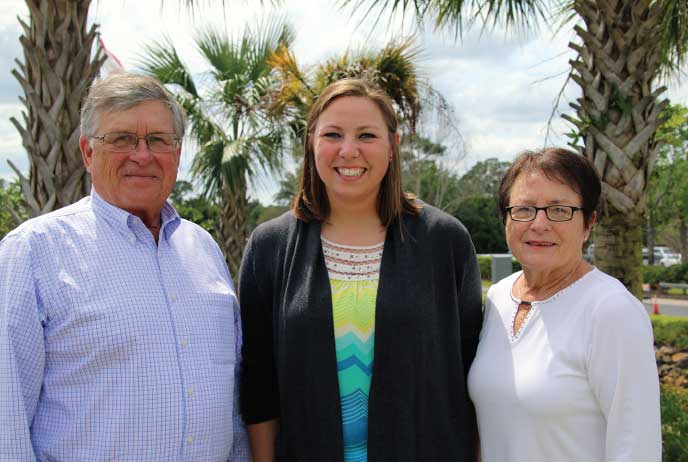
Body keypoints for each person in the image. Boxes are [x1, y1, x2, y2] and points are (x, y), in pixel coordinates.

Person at [0, 73, 249, 461]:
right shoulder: (34, 252)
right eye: (121, 140)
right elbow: (6, 417)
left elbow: (231, 404)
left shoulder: (203, 249)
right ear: (87, 152)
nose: (142, 155)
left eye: (158, 140)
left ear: (177, 153)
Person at [239, 78, 483, 462]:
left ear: (392, 146)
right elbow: (259, 381)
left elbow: (474, 373)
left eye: (367, 135)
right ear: (311, 144)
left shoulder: (444, 241)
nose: (348, 151)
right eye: (333, 134)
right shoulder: (270, 247)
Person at [467, 147, 661, 461]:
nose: (539, 224)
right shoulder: (499, 296)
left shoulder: (611, 310)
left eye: (559, 210)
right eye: (525, 209)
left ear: (589, 222)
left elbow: (636, 445)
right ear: (506, 217)